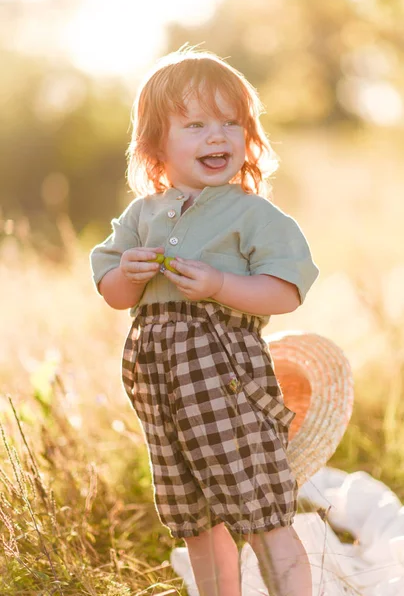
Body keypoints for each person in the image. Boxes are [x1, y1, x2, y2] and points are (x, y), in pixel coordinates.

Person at [90, 44, 320, 596]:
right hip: (160, 385)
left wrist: (221, 285)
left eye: (230, 123)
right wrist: (130, 271)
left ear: (249, 137)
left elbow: (285, 291)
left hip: (225, 378)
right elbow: (114, 293)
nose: (217, 136)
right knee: (196, 517)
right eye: (195, 124)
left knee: (259, 511)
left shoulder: (252, 213)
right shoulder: (141, 215)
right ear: (156, 146)